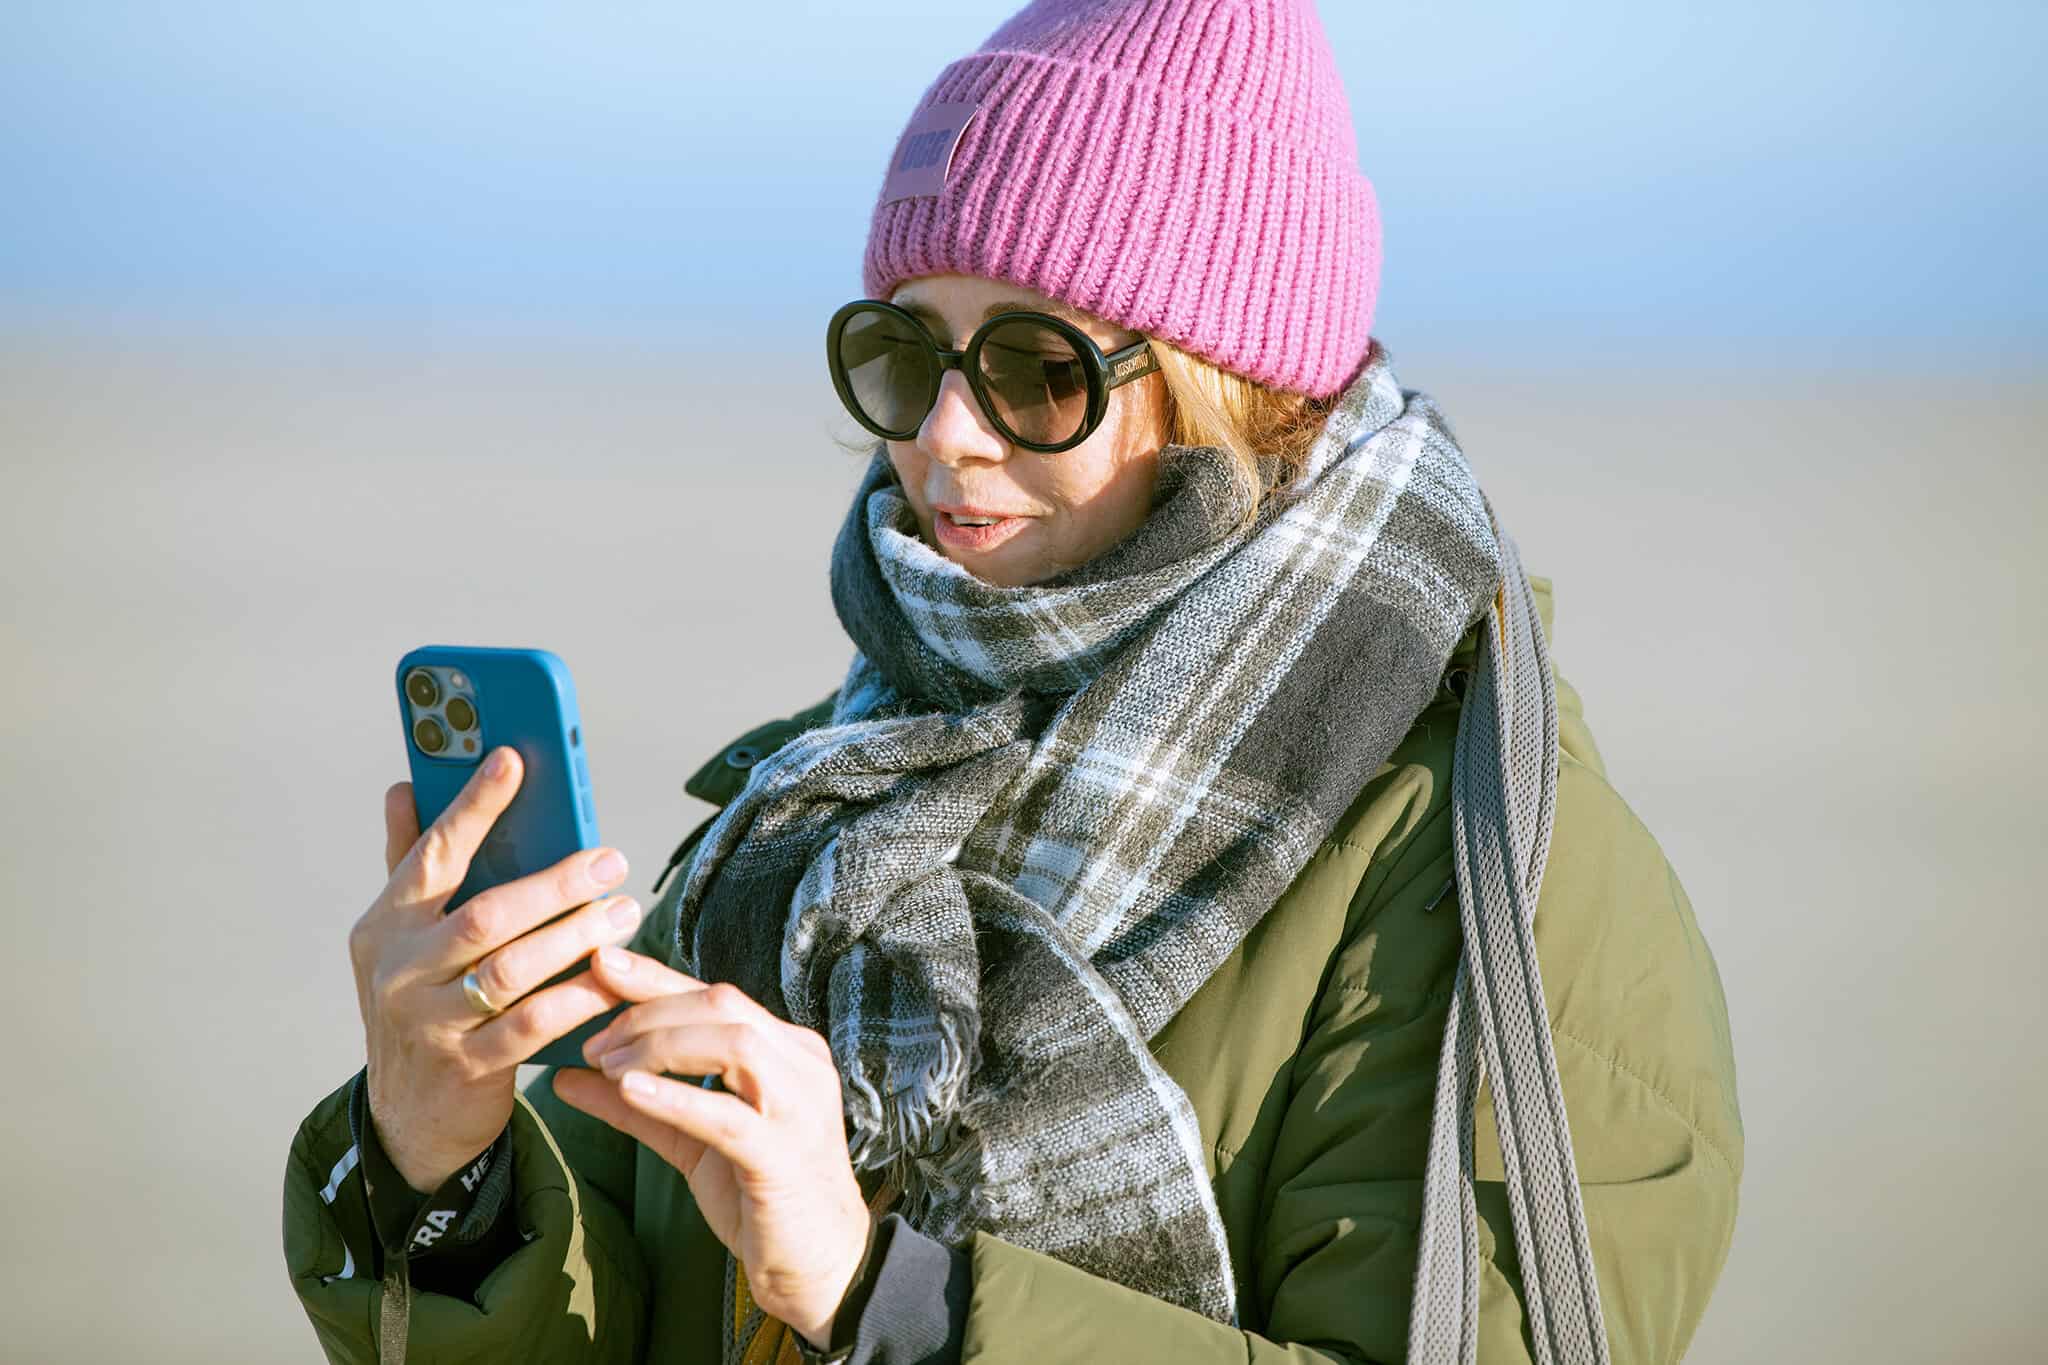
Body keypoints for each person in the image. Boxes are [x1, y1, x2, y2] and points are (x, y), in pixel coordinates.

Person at [282, 1, 1743, 1362]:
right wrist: (441, 1167)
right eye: (907, 354)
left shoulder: (1494, 868)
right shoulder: (828, 799)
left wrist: (890, 1297)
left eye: (1040, 370)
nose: (948, 440)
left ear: (1234, 385)